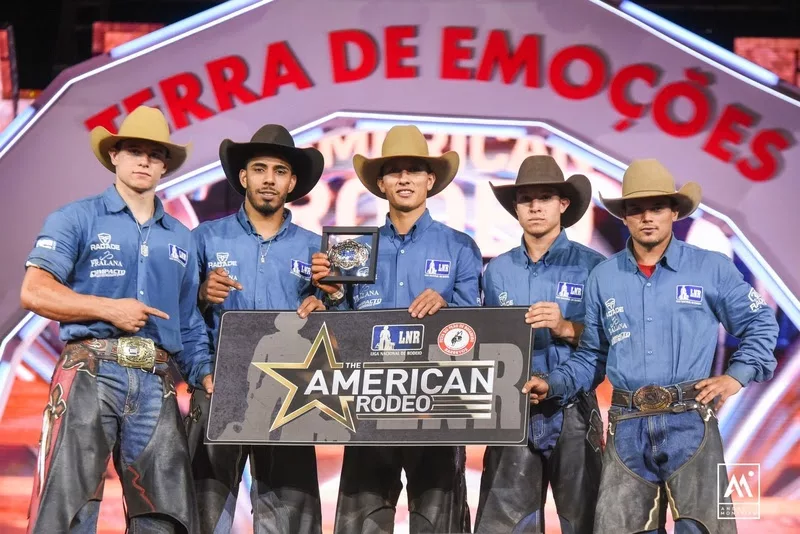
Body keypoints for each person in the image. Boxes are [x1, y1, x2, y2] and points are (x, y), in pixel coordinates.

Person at [523, 159, 779, 534]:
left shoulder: (710, 267)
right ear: (624, 216)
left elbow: (760, 322)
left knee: (705, 529)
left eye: (657, 207)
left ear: (674, 211)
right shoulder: (604, 277)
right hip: (626, 424)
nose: (647, 217)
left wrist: (734, 378)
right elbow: (594, 354)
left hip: (690, 419)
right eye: (635, 208)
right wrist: (554, 384)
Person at [21, 105, 214, 533]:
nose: (144, 160)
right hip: (90, 368)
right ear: (114, 156)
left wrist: (205, 375)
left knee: (164, 514)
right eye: (133, 151)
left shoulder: (181, 237)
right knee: (67, 506)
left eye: (154, 153)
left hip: (157, 379)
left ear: (165, 165)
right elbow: (34, 291)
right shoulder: (76, 217)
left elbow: (188, 323)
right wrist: (109, 308)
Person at [311, 125, 483, 533]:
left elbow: (478, 330)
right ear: (381, 183)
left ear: (430, 180)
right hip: (370, 403)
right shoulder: (350, 248)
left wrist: (448, 308)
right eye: (394, 171)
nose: (404, 178)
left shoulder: (460, 247)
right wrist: (330, 298)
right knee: (363, 524)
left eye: (414, 170)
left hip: (439, 402)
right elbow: (339, 331)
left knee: (438, 524)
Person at [186, 124, 328, 534]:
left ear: (293, 182)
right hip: (219, 387)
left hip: (291, 391)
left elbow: (339, 325)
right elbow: (185, 315)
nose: (269, 179)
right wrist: (201, 371)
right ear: (243, 177)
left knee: (291, 521)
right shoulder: (204, 238)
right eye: (260, 169)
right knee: (203, 513)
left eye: (280, 170)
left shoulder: (316, 247)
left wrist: (328, 303)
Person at [474, 155, 605, 533]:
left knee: (584, 523)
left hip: (574, 409)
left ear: (563, 204)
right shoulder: (497, 270)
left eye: (545, 197)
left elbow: (609, 341)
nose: (534, 206)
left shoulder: (594, 267)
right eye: (525, 199)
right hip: (511, 410)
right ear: (515, 207)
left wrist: (565, 326)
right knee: (506, 525)